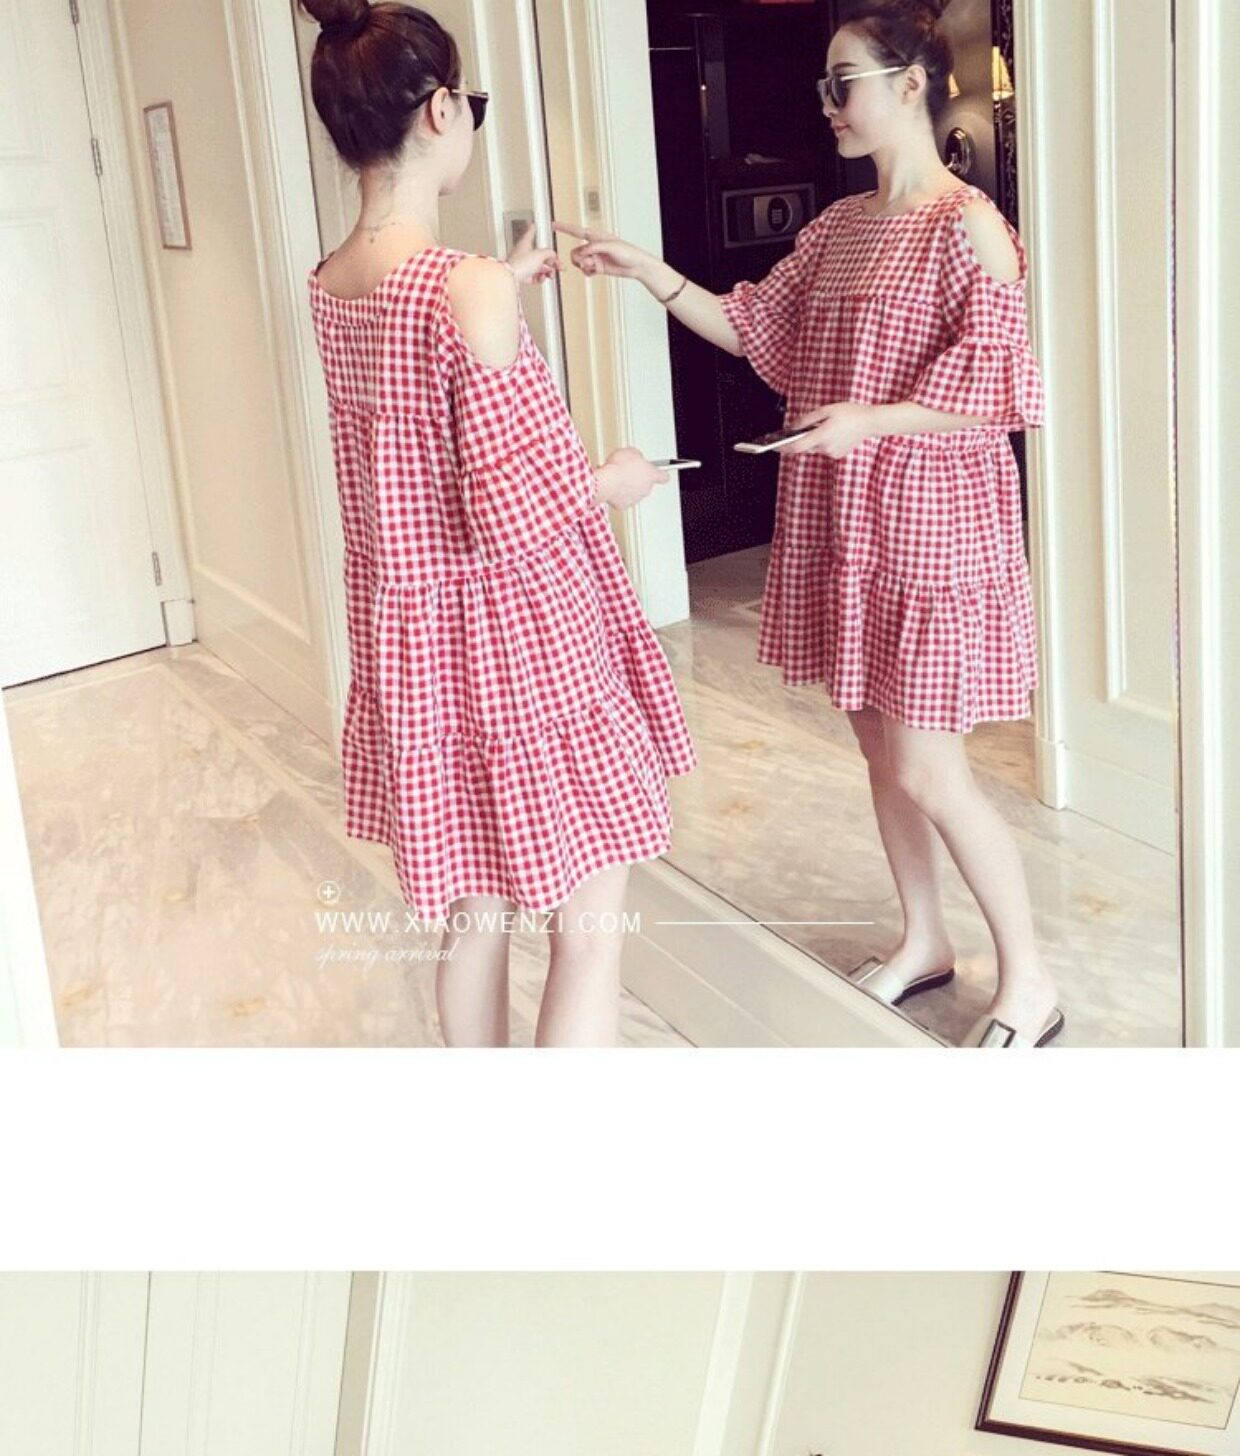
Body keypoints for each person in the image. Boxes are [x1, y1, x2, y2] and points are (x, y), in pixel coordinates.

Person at [557, 0, 1060, 1047]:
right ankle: (924, 939)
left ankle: (1032, 980)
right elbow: (752, 327)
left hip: (929, 523)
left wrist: (870, 419)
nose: (827, 102)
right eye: (825, 85)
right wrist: (650, 272)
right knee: (878, 751)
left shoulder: (967, 226)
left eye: (844, 82)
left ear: (910, 85)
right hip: (847, 520)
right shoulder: (836, 228)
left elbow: (1001, 390)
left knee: (928, 767)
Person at [301, 0, 697, 1047]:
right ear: (440, 111)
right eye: (469, 102)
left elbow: (416, 396)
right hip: (519, 644)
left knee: (476, 915)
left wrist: (503, 286)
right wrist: (614, 478)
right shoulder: (462, 287)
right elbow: (512, 510)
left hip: (421, 647)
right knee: (590, 927)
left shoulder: (334, 282)